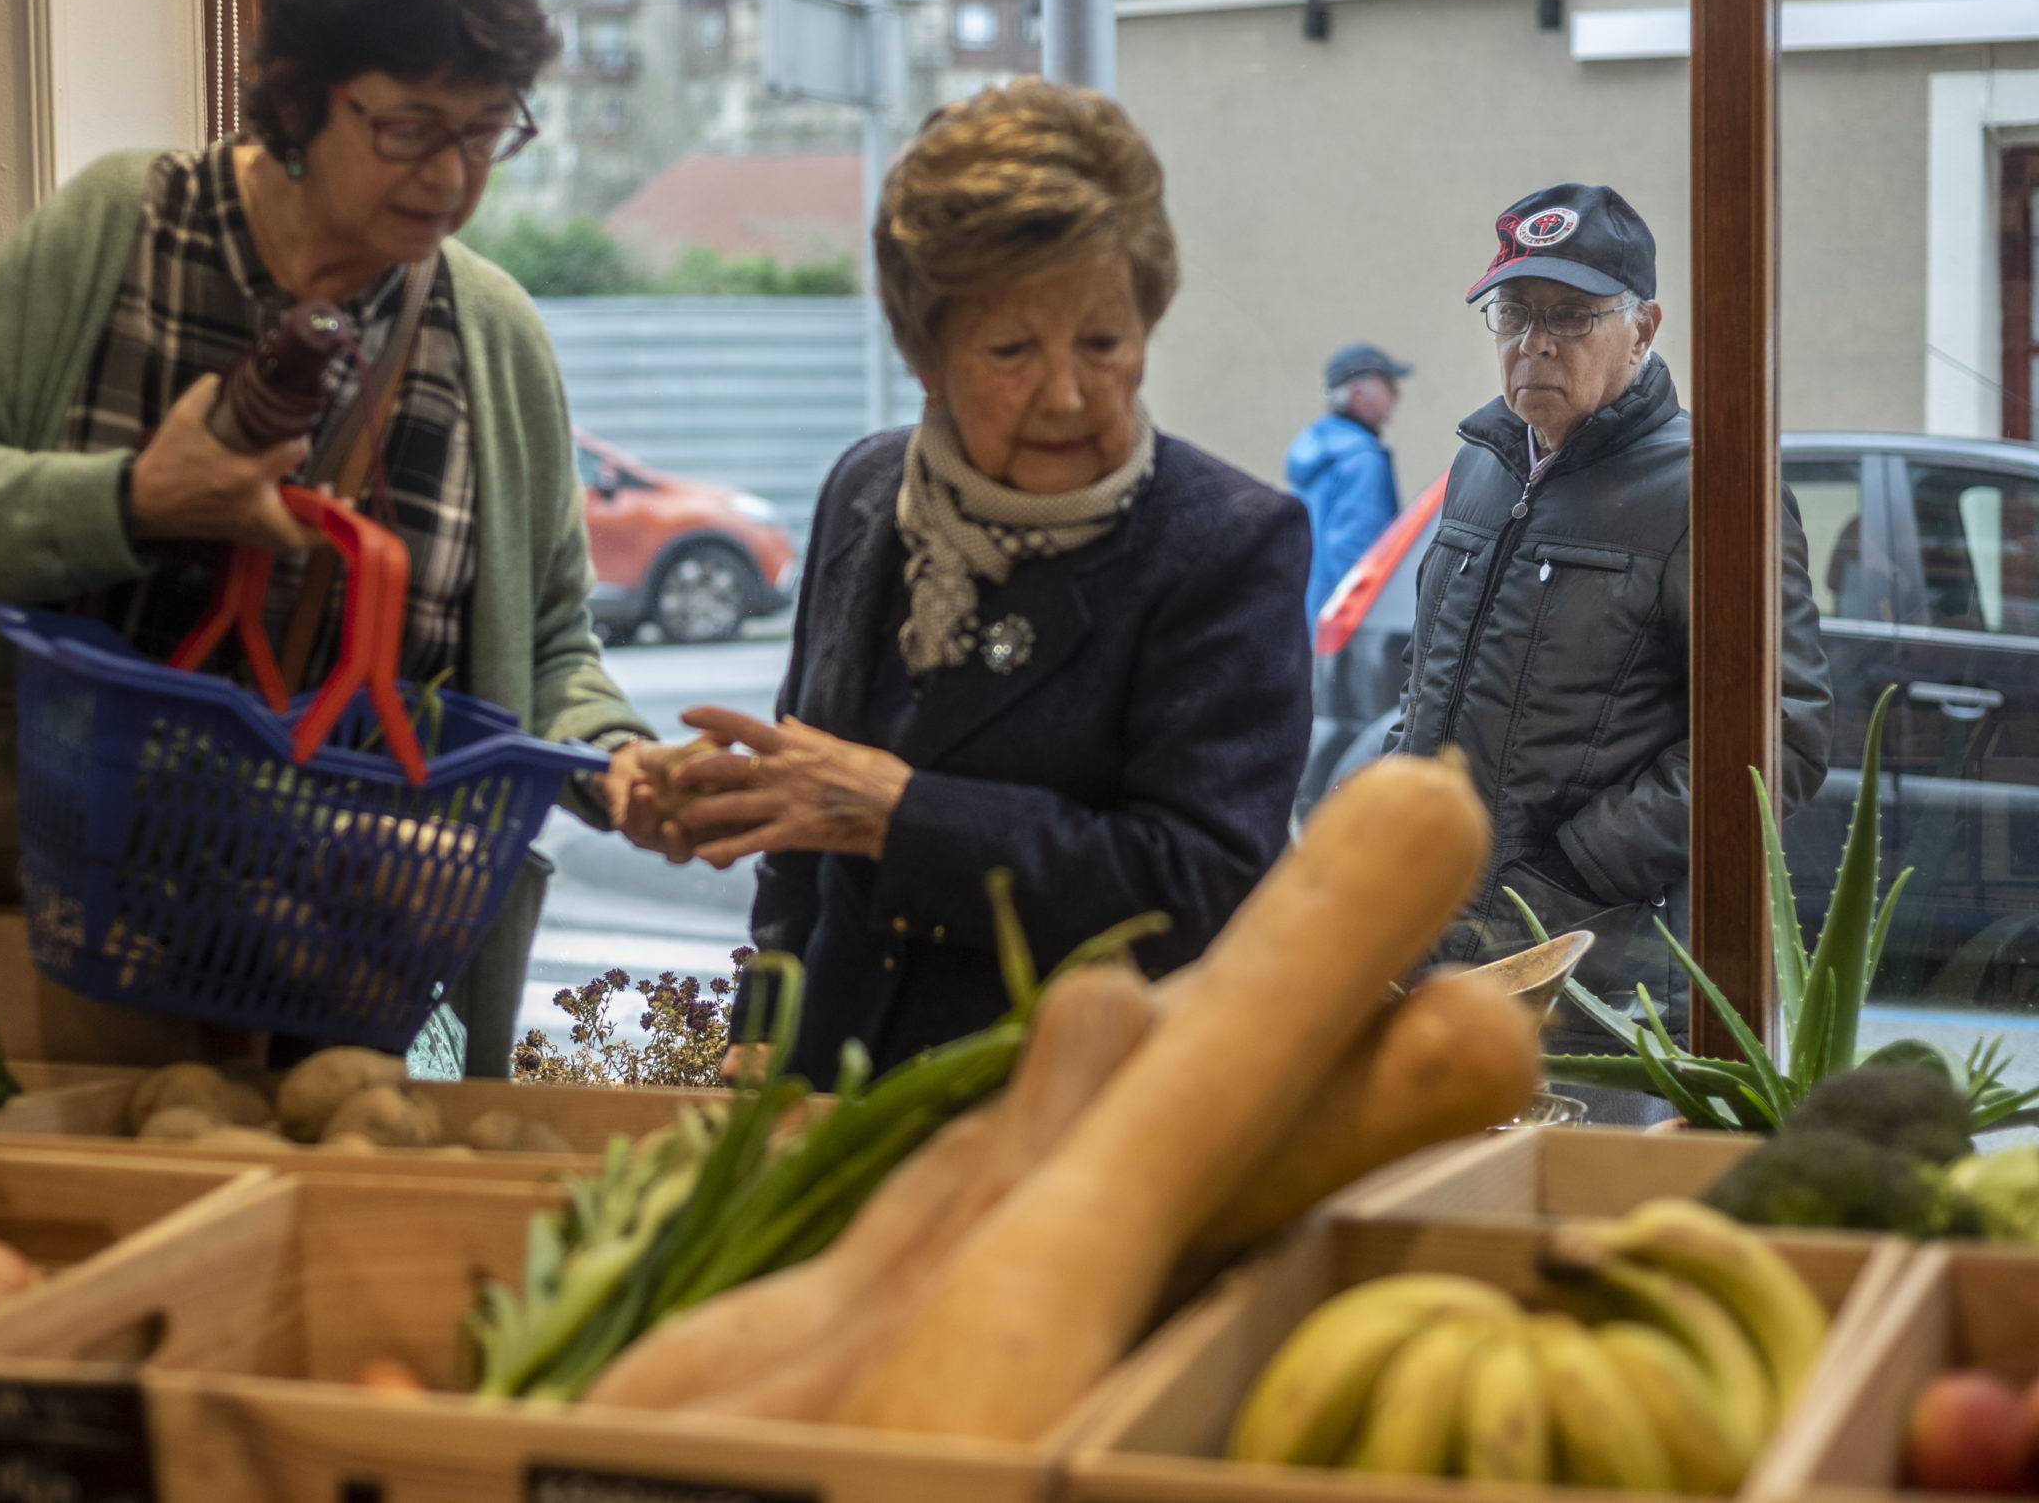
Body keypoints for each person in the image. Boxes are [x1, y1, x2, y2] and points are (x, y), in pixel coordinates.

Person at [0, 0, 666, 1074]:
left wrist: (622, 761)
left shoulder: (490, 335)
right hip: (52, 951)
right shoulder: (122, 235)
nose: (450, 178)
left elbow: (547, 641)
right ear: (298, 92)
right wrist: (131, 501)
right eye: (407, 129)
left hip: (344, 986)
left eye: (487, 132)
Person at [656, 78, 1312, 1087]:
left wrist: (901, 814)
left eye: (1104, 341)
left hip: (1071, 1122)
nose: (1065, 393)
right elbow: (801, 829)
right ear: (926, 353)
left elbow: (1195, 885)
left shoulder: (1225, 546)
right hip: (825, 1108)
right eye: (1010, 350)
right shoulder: (865, 490)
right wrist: (761, 1020)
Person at [1384, 182, 1832, 1077]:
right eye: (1513, 312)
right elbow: (1425, 682)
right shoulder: (1480, 462)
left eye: (1572, 316)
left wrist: (1574, 872)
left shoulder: (1712, 492)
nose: (1534, 341)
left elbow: (1782, 735)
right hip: (1428, 936)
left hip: (1597, 980)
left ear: (1644, 327)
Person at [1286, 342, 1413, 622]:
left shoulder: (1316, 447)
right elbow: (1355, 553)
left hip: (1307, 614)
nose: (1397, 393)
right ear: (1356, 393)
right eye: (1388, 384)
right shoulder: (1361, 459)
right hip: (1343, 622)